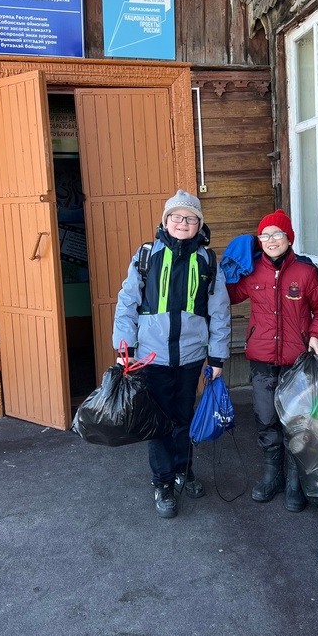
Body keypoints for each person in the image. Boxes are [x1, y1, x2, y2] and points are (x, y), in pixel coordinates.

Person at [113, 189, 231, 519]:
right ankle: (163, 481)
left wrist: (217, 357)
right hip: (152, 358)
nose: (182, 223)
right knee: (160, 422)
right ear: (165, 221)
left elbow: (219, 312)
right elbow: (127, 305)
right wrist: (125, 350)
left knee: (184, 417)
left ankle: (184, 470)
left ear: (199, 224)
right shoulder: (147, 256)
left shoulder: (208, 260)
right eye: (176, 217)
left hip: (191, 357)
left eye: (190, 218)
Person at [226, 209, 318, 512]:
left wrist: (316, 335)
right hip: (262, 359)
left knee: (298, 421)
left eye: (277, 234)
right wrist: (228, 267)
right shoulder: (251, 271)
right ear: (259, 240)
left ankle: (294, 480)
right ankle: (272, 474)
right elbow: (229, 296)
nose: (271, 240)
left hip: (297, 360)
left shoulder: (305, 272)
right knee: (265, 416)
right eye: (265, 235)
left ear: (289, 239)